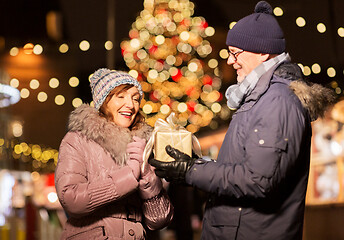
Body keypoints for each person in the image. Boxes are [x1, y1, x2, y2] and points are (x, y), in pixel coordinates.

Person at [149, 1, 336, 239]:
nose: (229, 61)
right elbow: (242, 166)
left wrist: (191, 171)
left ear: (262, 52)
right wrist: (197, 164)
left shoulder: (276, 102)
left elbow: (257, 180)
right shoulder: (259, 98)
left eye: (236, 53)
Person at [55, 68, 173, 240]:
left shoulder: (143, 146)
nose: (131, 105)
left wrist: (147, 176)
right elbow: (71, 199)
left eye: (135, 98)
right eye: (121, 96)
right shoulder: (77, 140)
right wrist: (129, 176)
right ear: (103, 101)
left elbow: (160, 220)